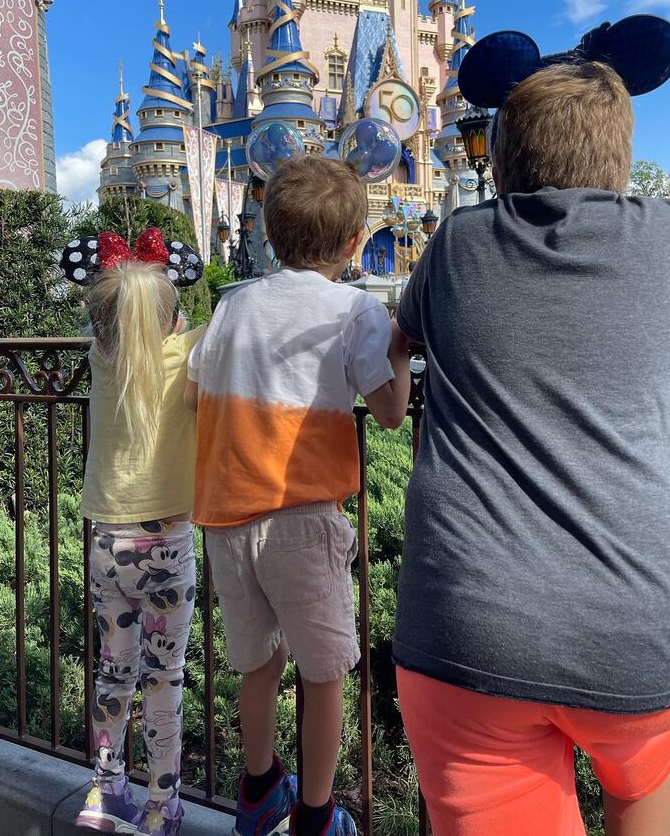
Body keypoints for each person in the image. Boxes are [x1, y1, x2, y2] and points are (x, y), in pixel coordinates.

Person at [394, 45, 670, 836]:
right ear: (621, 159)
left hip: (471, 621)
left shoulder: (455, 246)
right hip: (642, 621)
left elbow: (397, 337)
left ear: (498, 162)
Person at [185, 156, 411, 836]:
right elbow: (392, 410)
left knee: (258, 661)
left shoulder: (232, 305)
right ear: (352, 244)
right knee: (324, 671)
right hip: (301, 518)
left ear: (268, 231)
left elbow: (196, 395)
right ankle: (315, 816)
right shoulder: (354, 310)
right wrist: (401, 344)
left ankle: (258, 791)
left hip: (225, 516)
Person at [61, 228, 205, 836]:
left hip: (106, 541)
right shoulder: (189, 351)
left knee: (115, 671)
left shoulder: (101, 354)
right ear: (172, 321)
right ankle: (159, 805)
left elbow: (102, 304)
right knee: (162, 678)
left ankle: (103, 794)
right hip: (167, 541)